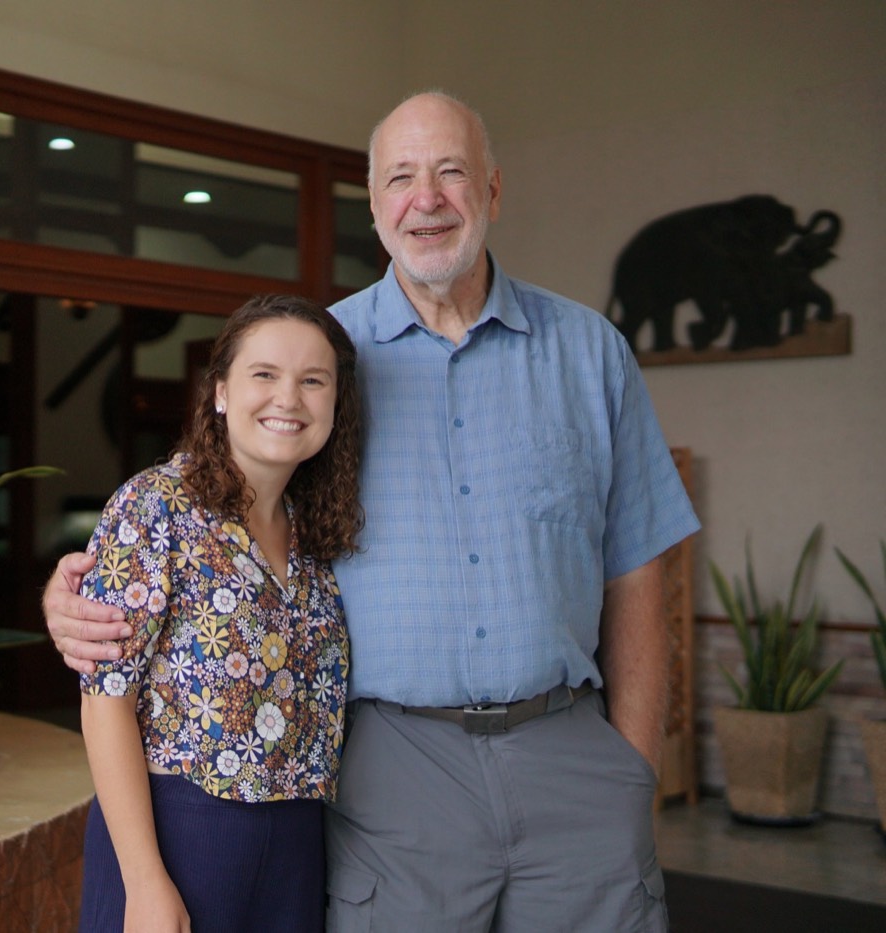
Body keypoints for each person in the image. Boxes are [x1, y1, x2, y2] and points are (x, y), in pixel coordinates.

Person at [48, 91, 699, 933]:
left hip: (566, 752)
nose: (426, 198)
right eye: (401, 177)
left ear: (493, 191)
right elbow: (184, 556)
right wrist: (73, 599)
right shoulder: (324, 356)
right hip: (393, 775)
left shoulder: (590, 353)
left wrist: (632, 774)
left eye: (450, 172)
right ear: (375, 204)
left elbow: (636, 570)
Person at [76, 294, 364, 932]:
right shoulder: (155, 507)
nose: (288, 398)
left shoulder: (316, 537)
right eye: (264, 374)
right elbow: (104, 700)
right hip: (180, 828)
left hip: (295, 842)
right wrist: (144, 880)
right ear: (221, 392)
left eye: (313, 380)